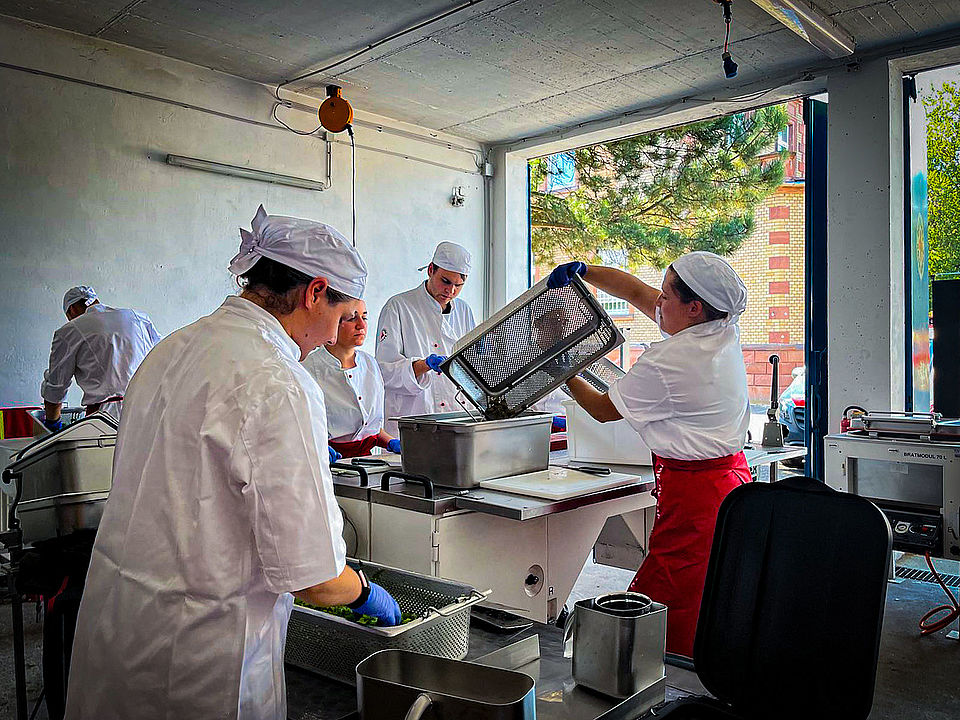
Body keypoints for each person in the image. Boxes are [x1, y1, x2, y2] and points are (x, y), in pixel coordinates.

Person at [64, 206, 401, 720]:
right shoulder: (279, 381)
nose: (332, 336)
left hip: (120, 623)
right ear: (314, 293)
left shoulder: (171, 349)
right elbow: (314, 577)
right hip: (203, 655)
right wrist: (365, 593)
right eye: (339, 317)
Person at [548, 252, 751, 657]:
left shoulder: (670, 360)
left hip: (698, 498)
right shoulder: (721, 326)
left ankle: (666, 678)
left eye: (667, 295)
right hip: (729, 483)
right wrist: (585, 271)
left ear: (694, 308)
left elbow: (602, 410)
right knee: (713, 592)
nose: (657, 301)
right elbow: (637, 292)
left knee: (666, 603)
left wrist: (561, 365)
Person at [375, 242, 476, 433]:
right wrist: (424, 365)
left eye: (458, 285)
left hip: (456, 416)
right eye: (445, 281)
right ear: (431, 270)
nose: (450, 291)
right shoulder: (398, 306)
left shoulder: (464, 310)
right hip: (415, 418)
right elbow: (384, 371)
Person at [39, 285, 160, 427]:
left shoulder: (69, 331)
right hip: (149, 409)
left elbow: (56, 387)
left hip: (106, 417)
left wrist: (52, 423)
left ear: (71, 310)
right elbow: (161, 356)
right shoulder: (138, 317)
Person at [303, 299, 401, 458]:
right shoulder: (308, 368)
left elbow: (371, 427)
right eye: (351, 318)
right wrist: (316, 449)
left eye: (364, 317)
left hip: (366, 461)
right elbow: (300, 429)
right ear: (332, 321)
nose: (361, 325)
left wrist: (391, 442)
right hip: (328, 462)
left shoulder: (370, 363)